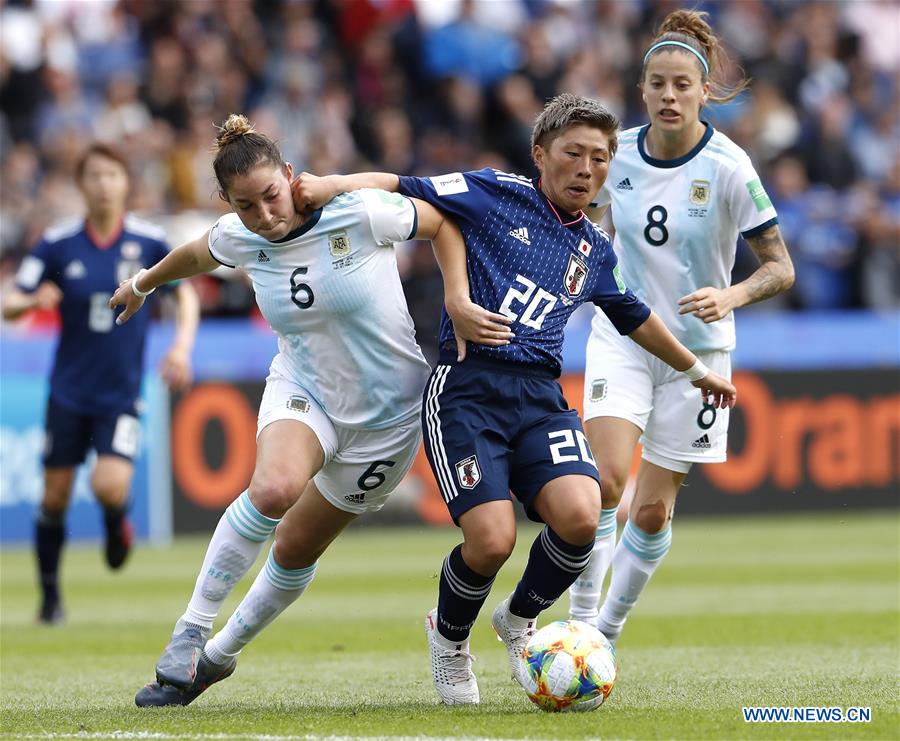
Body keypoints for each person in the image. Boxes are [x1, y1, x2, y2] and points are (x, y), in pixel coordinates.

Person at [292, 93, 737, 705]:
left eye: (601, 159)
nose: (588, 169)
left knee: (585, 514)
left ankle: (517, 617)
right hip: (467, 392)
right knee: (493, 540)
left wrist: (694, 370)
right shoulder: (494, 191)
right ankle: (449, 640)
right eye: (574, 154)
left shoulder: (594, 249)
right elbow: (404, 185)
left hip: (538, 398)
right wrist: (330, 184)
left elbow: (633, 314)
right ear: (540, 155)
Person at [112, 114, 506, 707]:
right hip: (306, 387)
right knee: (272, 490)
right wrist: (142, 285)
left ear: (291, 176)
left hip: (388, 418)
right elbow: (196, 254)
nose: (265, 216)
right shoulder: (239, 235)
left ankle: (215, 660)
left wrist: (457, 298)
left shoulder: (359, 211)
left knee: (295, 550)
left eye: (272, 196)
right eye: (247, 207)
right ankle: (189, 632)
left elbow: (445, 223)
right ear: (229, 203)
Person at [568, 10, 795, 646]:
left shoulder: (729, 167)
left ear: (703, 90)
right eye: (658, 85)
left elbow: (780, 268)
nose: (669, 96)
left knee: (653, 507)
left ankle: (607, 632)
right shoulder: (617, 159)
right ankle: (581, 629)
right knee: (606, 482)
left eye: (682, 85)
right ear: (642, 91)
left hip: (698, 355)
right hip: (626, 338)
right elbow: (580, 224)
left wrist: (732, 294)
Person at [2, 142, 199, 625]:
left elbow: (186, 294)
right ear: (81, 184)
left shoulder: (149, 242)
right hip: (68, 392)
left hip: (120, 395)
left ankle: (116, 526)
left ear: (126, 183)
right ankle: (50, 600)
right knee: (54, 497)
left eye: (113, 175)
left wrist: (180, 348)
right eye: (94, 176)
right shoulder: (57, 243)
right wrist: (30, 303)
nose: (104, 184)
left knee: (109, 486)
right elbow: (10, 301)